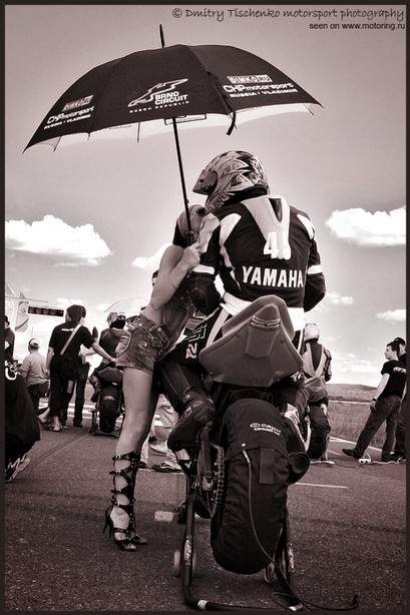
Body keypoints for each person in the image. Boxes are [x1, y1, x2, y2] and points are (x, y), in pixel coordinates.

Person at [159, 150, 326, 454]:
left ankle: (196, 403)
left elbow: (201, 291)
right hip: (291, 327)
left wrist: (216, 307)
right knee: (294, 379)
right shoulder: (305, 220)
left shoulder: (219, 219)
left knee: (172, 361)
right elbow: (316, 289)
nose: (209, 195)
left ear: (230, 179)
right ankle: (290, 412)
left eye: (211, 187)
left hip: (234, 320)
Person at [103, 205, 204, 551]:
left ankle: (199, 496)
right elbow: (158, 298)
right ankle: (120, 510)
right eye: (200, 216)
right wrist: (186, 263)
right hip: (146, 338)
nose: (209, 219)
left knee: (191, 417)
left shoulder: (213, 260)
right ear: (187, 227)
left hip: (173, 351)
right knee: (136, 425)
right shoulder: (175, 252)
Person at [46, 304, 115, 432]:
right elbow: (96, 347)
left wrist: (47, 367)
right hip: (70, 367)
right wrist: (110, 358)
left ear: (68, 315)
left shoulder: (57, 328)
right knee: (67, 393)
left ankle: (55, 421)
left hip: (56, 364)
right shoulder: (82, 330)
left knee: (55, 391)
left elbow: (50, 350)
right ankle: (58, 419)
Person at [342, 340, 407, 462]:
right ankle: (386, 456)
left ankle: (358, 451)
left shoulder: (389, 365)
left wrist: (375, 398)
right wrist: (400, 400)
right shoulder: (404, 368)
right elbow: (404, 388)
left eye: (387, 350)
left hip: (386, 400)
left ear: (394, 351)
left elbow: (384, 382)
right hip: (398, 401)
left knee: (371, 426)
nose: (384, 352)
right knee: (391, 430)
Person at [301, 323, 332, 462]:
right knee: (325, 411)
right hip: (320, 392)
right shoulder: (327, 353)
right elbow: (329, 375)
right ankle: (325, 453)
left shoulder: (300, 349)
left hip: (303, 390)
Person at [20, 338, 49, 414]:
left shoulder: (28, 358)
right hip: (43, 386)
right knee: (35, 403)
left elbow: (23, 376)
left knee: (27, 403)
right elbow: (46, 373)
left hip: (33, 386)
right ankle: (35, 415)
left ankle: (32, 416)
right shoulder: (43, 358)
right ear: (38, 348)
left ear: (29, 347)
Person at [391, 337, 406, 462]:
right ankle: (399, 451)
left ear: (402, 345)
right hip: (401, 395)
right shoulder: (399, 359)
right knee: (399, 423)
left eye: (397, 345)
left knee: (401, 423)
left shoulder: (405, 358)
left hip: (405, 395)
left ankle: (401, 452)